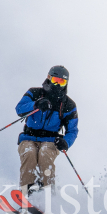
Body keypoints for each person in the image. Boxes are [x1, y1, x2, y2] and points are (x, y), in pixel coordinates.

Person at [14, 65, 79, 195]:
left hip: (50, 141)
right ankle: (26, 193)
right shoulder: (35, 93)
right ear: (49, 78)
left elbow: (72, 130)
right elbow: (19, 109)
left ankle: (47, 194)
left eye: (62, 82)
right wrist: (36, 104)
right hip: (29, 137)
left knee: (44, 155)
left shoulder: (68, 105)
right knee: (29, 153)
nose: (58, 85)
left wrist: (66, 142)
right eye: (55, 80)